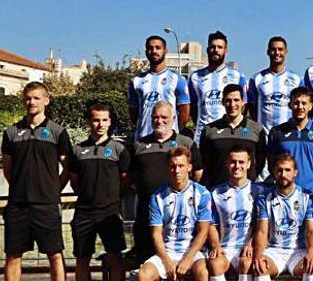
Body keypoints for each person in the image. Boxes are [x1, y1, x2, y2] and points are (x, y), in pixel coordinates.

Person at [1, 81, 72, 281]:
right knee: (13, 255)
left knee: (55, 255)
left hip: (47, 205)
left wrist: (53, 190)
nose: (31, 102)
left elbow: (67, 168)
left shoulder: (58, 132)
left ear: (46, 101)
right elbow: (8, 169)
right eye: (28, 98)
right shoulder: (11, 132)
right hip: (18, 205)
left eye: (36, 98)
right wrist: (19, 188)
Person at [131, 102, 203, 262]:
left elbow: (198, 174)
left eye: (164, 117)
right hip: (146, 215)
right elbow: (131, 177)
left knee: (181, 266)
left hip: (179, 217)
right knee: (148, 265)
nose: (159, 121)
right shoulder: (139, 145)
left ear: (173, 118)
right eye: (155, 117)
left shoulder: (186, 143)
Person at [69, 103, 130, 281]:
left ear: (110, 122)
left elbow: (126, 179)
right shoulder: (78, 150)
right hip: (84, 212)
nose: (100, 124)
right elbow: (74, 180)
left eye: (104, 120)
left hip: (110, 212)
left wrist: (114, 198)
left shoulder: (119, 149)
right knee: (82, 259)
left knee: (115, 258)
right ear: (89, 122)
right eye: (96, 120)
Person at [138, 146, 211, 281]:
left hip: (193, 252)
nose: (176, 170)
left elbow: (203, 232)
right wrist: (166, 261)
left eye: (181, 166)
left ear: (189, 167)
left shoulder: (202, 193)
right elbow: (156, 234)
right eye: (173, 166)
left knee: (203, 272)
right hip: (167, 252)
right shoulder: (157, 196)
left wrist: (188, 259)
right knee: (144, 274)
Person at [252, 155, 313, 281]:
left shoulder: (307, 196)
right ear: (274, 173)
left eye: (287, 170)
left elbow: (311, 231)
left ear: (295, 172)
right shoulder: (264, 198)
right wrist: (258, 255)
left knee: (311, 268)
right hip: (274, 251)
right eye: (279, 170)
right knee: (260, 268)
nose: (283, 174)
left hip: (298, 251)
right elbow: (262, 232)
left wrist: (311, 253)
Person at [206, 145, 267, 281]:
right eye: (233, 162)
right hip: (225, 248)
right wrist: (216, 245)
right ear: (227, 164)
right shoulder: (215, 193)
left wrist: (252, 243)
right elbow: (211, 225)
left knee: (246, 263)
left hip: (248, 247)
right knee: (214, 264)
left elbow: (262, 227)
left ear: (249, 164)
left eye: (241, 162)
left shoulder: (260, 192)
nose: (237, 166)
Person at [199, 84, 267, 187]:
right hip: (217, 191)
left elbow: (260, 163)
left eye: (236, 100)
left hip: (247, 192)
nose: (232, 104)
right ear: (222, 102)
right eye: (228, 100)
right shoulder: (209, 130)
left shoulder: (256, 129)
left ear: (243, 102)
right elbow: (205, 163)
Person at [266, 86, 313, 198]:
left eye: (304, 103)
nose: (300, 107)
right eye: (296, 103)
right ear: (290, 105)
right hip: (284, 194)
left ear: (310, 106)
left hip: (311, 194)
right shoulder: (277, 132)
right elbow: (271, 165)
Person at [189, 31, 248, 143]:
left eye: (220, 47)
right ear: (207, 50)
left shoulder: (237, 75)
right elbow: (193, 108)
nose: (216, 50)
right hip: (203, 136)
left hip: (230, 134)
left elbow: (244, 106)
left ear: (226, 50)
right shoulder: (195, 77)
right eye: (213, 47)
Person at [129, 35, 191, 141]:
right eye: (150, 48)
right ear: (146, 52)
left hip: (169, 141)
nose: (154, 51)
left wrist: (174, 131)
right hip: (143, 140)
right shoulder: (136, 81)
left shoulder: (178, 79)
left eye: (158, 48)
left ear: (165, 51)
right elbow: (133, 114)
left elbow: (184, 115)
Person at [246, 36, 304, 130]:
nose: (277, 53)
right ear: (268, 52)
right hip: (264, 136)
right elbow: (252, 108)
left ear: (286, 52)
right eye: (273, 49)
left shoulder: (297, 79)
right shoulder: (256, 78)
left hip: (288, 135)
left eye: (280, 49)